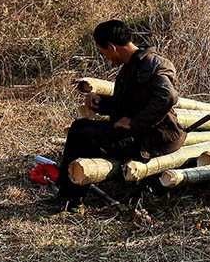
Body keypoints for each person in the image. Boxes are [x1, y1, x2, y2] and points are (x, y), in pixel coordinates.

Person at [47, 20, 186, 209]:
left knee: (84, 137)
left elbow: (168, 97)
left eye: (104, 52)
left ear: (112, 47)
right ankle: (65, 193)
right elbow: (126, 105)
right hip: (137, 133)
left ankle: (71, 202)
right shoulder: (129, 68)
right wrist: (100, 103)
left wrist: (135, 122)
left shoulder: (156, 65)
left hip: (155, 139)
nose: (106, 57)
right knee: (79, 127)